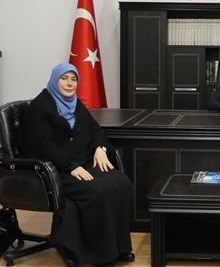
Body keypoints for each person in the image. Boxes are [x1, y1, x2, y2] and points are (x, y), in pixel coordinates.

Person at [19, 63, 134, 267]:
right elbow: (44, 146)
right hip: (55, 170)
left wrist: (100, 147)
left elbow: (95, 129)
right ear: (54, 80)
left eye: (73, 79)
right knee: (98, 190)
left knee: (121, 183)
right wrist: (70, 166)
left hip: (82, 163)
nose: (69, 84)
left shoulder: (75, 104)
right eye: (64, 79)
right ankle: (102, 256)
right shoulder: (39, 107)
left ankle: (120, 249)